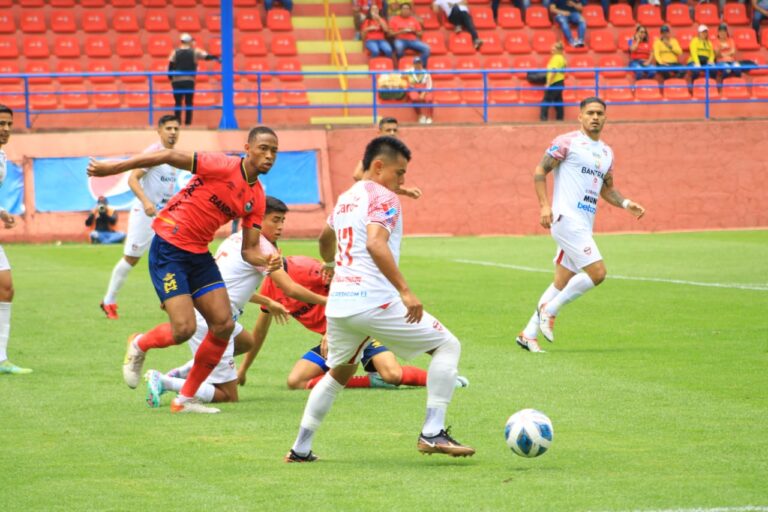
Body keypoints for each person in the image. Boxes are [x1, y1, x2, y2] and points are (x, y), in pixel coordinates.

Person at [285, 136, 475, 463]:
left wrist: (330, 265)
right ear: (379, 166)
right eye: (399, 173)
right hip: (374, 300)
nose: (402, 180)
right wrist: (405, 290)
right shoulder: (383, 195)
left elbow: (324, 237)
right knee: (447, 345)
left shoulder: (347, 197)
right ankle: (432, 432)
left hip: (341, 306)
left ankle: (300, 448)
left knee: (337, 374)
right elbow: (376, 243)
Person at [86, 126, 283, 414]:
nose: (268, 155)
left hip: (198, 253)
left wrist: (267, 260)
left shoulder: (257, 196)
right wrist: (113, 168)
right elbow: (166, 154)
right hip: (169, 245)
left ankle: (185, 399)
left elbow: (249, 250)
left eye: (274, 151)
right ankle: (140, 343)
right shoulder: (223, 164)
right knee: (183, 329)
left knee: (224, 324)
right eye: (263, 148)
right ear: (248, 148)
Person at [142, 197, 327, 408]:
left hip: (208, 308)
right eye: (275, 220)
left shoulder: (237, 239)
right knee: (228, 396)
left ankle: (180, 373)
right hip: (213, 319)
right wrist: (326, 301)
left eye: (283, 221)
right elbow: (290, 288)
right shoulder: (261, 248)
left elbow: (229, 285)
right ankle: (165, 381)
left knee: (245, 342)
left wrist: (267, 301)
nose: (280, 227)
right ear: (259, 220)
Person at [515, 97, 646, 353]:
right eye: (590, 113)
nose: (595, 117)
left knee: (561, 282)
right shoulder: (567, 142)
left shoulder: (607, 152)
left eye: (599, 113)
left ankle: (528, 334)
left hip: (584, 224)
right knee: (598, 273)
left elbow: (607, 190)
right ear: (580, 117)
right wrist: (544, 205)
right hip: (566, 219)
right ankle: (550, 310)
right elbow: (540, 171)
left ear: (606, 117)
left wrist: (626, 203)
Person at [238, 253, 470, 390]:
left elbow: (346, 288)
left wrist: (330, 329)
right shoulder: (269, 289)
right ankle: (372, 381)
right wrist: (243, 370)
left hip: (364, 328)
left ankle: (445, 379)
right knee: (296, 381)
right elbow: (260, 331)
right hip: (339, 338)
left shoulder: (306, 267)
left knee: (393, 374)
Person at [99, 115, 182, 320]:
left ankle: (168, 300)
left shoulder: (173, 157)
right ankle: (108, 300)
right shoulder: (152, 154)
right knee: (132, 258)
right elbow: (133, 179)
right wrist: (146, 202)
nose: (173, 132)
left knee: (172, 256)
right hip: (144, 216)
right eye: (169, 128)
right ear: (159, 131)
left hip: (163, 216)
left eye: (176, 128)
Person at [0, 104, 31, 376]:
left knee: (6, 286)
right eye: (1, 123)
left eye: (9, 124)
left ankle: (1, 359)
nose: (6, 129)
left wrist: (2, 213)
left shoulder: (1, 157)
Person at [351, 117, 422, 199]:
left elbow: (392, 185)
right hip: (371, 200)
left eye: (394, 130)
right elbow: (357, 175)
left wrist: (407, 192)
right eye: (388, 130)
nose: (392, 133)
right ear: (379, 133)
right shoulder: (376, 151)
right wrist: (377, 188)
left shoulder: (396, 153)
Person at [168, 33, 220, 126]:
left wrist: (171, 79)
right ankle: (188, 124)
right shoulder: (195, 51)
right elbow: (207, 56)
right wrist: (217, 58)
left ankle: (177, 123)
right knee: (189, 102)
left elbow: (170, 66)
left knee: (178, 103)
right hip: (189, 80)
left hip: (177, 81)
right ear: (189, 42)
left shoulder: (175, 52)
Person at [541, 42, 566, 122]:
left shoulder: (556, 58)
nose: (552, 49)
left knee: (546, 101)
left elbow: (553, 71)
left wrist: (548, 83)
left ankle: (543, 119)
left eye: (554, 48)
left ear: (558, 50)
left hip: (554, 82)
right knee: (558, 101)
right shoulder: (562, 58)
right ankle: (560, 119)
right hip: (560, 81)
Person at [406, 57, 434, 124]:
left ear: (421, 64)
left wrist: (423, 93)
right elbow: (402, 76)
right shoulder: (409, 72)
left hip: (424, 89)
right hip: (413, 88)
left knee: (429, 99)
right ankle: (420, 115)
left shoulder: (426, 73)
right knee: (415, 98)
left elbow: (429, 85)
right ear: (413, 64)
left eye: (419, 63)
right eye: (416, 63)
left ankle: (429, 117)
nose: (418, 65)